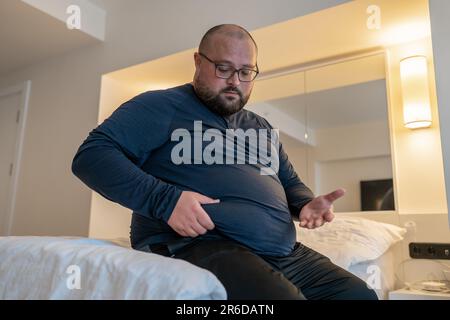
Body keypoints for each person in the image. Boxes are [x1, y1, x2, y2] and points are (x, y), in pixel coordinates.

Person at [72, 24, 378, 300]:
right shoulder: (161, 105)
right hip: (196, 243)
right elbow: (93, 156)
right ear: (197, 62)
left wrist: (304, 203)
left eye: (246, 72)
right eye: (223, 68)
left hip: (283, 252)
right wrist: (165, 201)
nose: (235, 81)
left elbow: (289, 182)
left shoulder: (260, 127)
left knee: (358, 295)